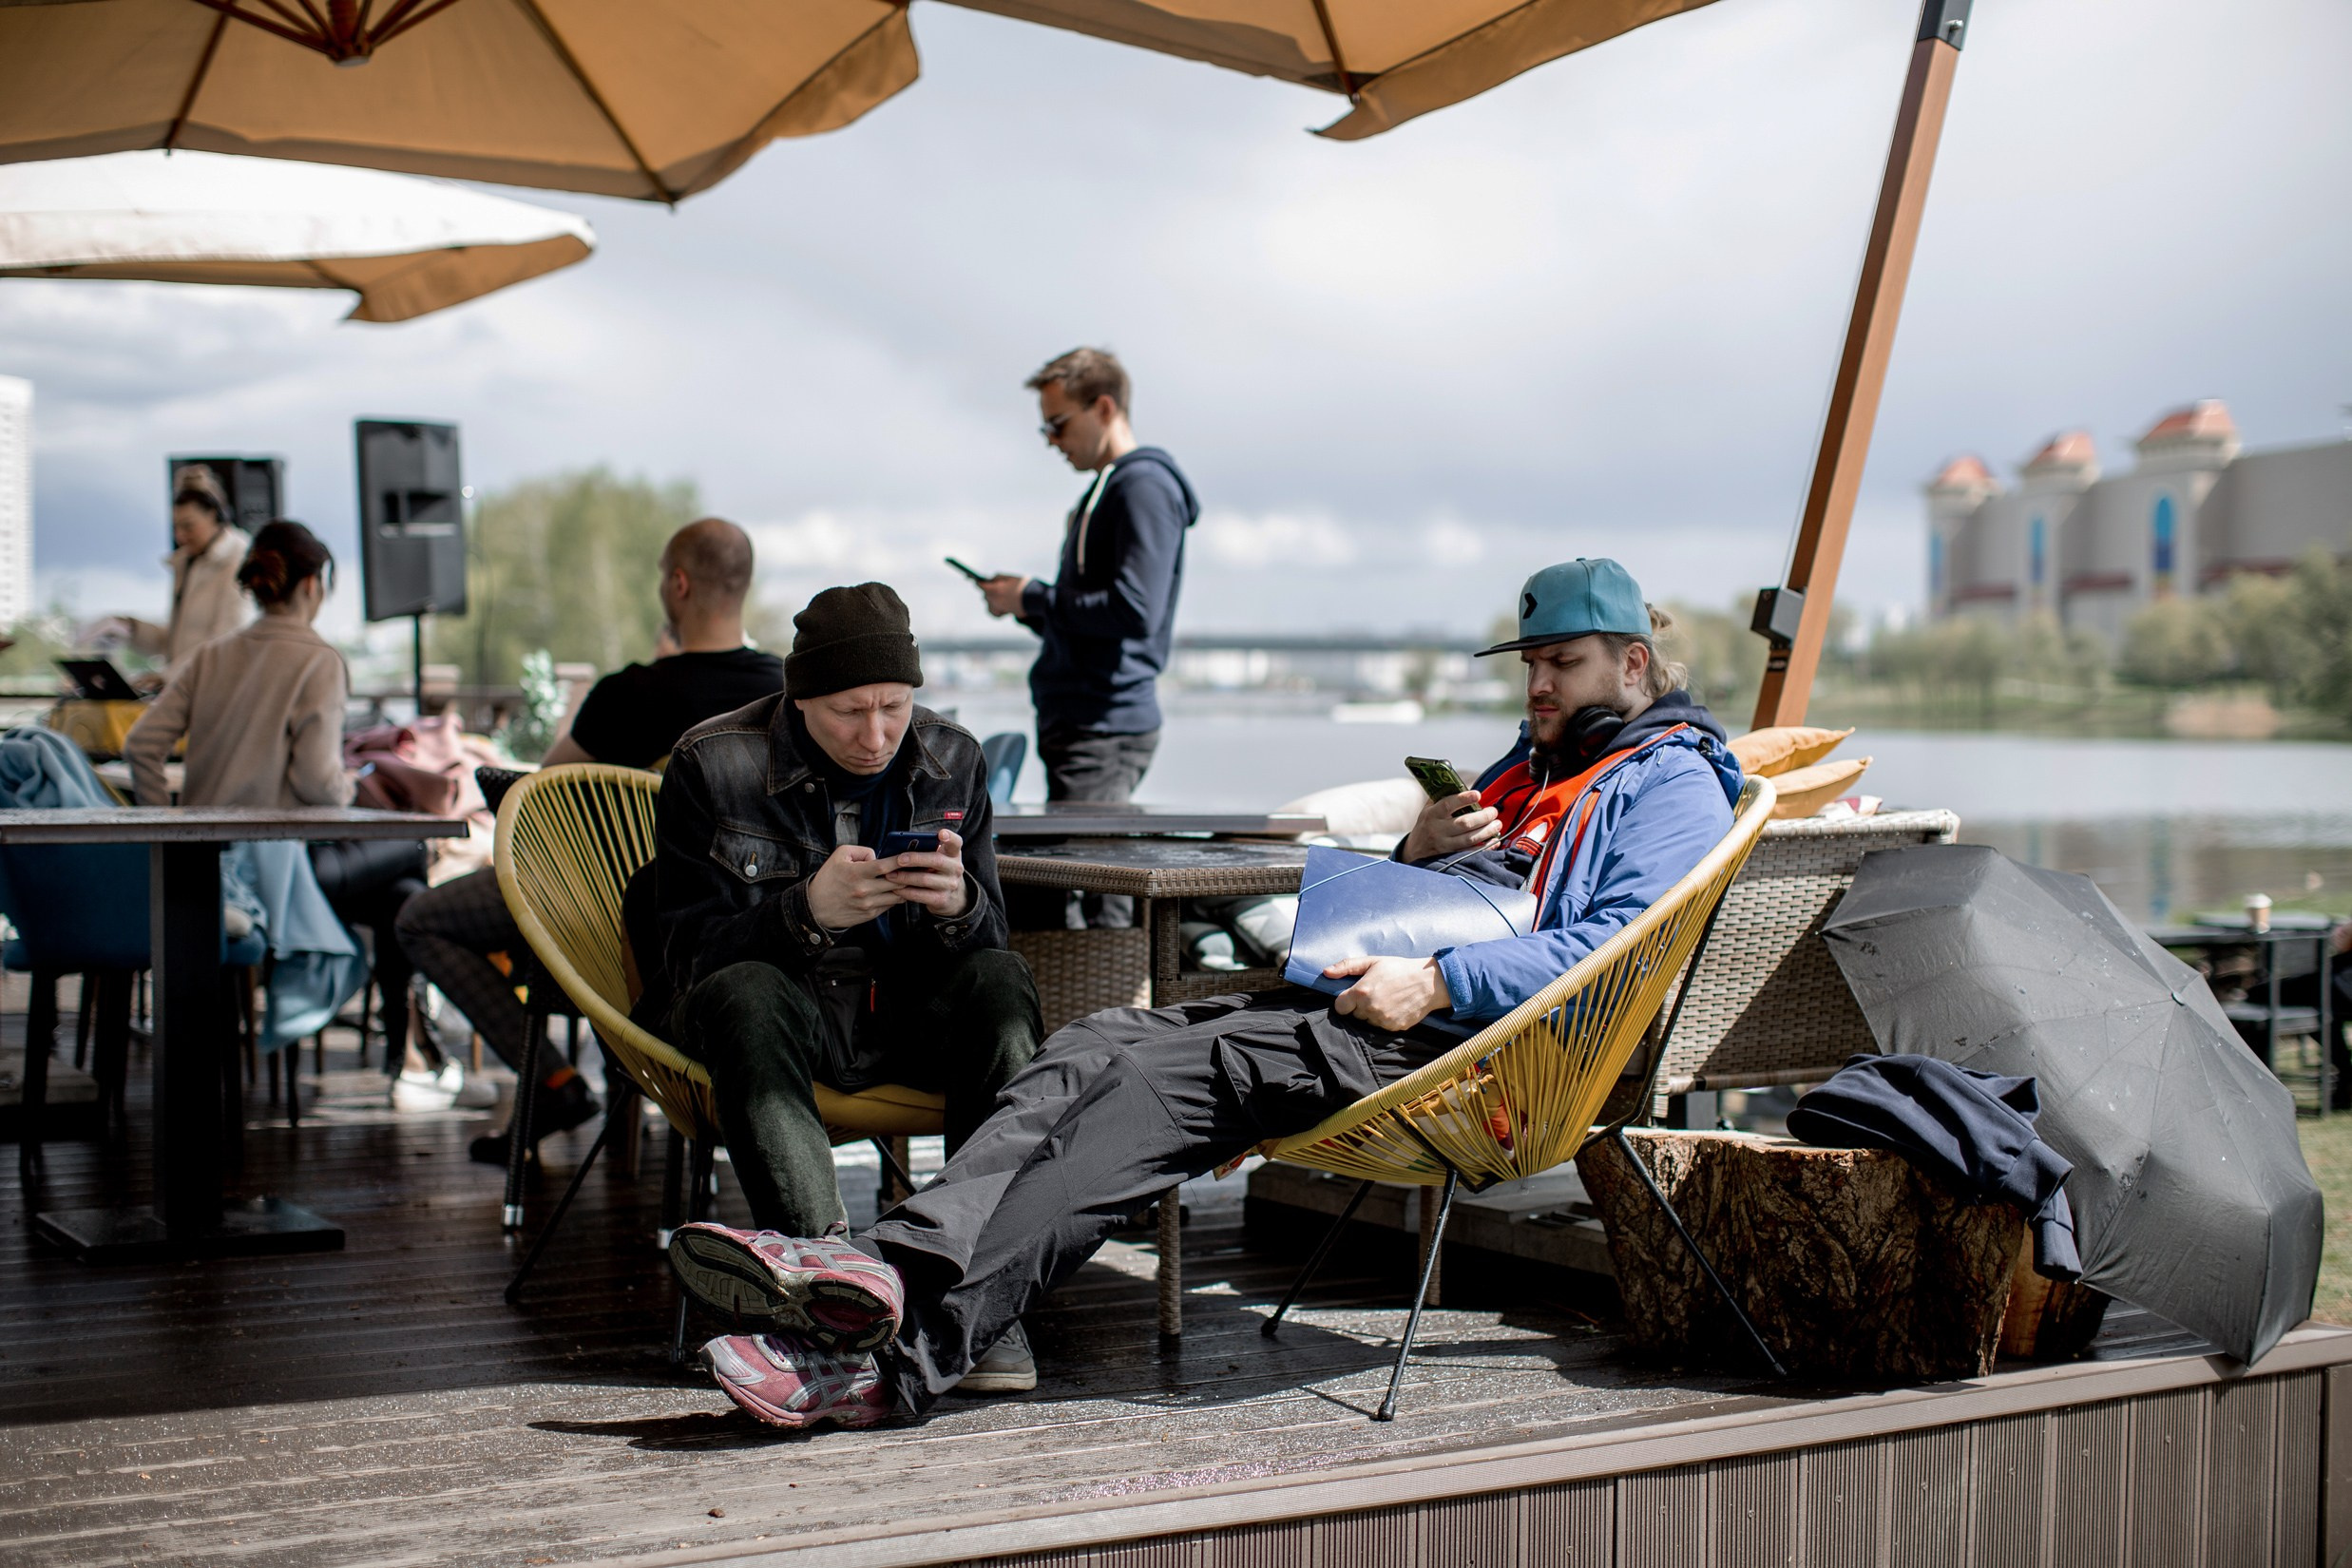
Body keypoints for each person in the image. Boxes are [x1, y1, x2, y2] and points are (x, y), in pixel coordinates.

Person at [666, 558, 1745, 1430]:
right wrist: (1420, 846)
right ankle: (885, 1273)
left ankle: (890, 1361)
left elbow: (1616, 951)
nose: (1539, 686)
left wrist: (1441, 978)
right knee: (1097, 1043)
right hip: (1360, 1005)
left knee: (1145, 1096)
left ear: (1635, 662)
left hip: (1467, 1049)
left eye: (1563, 664)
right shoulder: (1532, 764)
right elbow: (1454, 894)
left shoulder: (1672, 779)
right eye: (1531, 667)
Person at [655, 582, 1043, 1391]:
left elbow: (990, 939)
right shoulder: (710, 762)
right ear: (799, 699)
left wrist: (960, 905)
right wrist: (804, 912)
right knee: (748, 993)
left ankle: (970, 1297)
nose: (874, 735)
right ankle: (830, 1296)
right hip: (777, 1016)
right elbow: (683, 960)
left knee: (1000, 982)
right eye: (847, 712)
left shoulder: (954, 759)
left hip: (902, 1011)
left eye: (893, 707)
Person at [394, 518, 786, 1144]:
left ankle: (554, 1083)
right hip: (743, 923)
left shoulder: (629, 694)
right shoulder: (786, 694)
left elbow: (539, 795)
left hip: (601, 914)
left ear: (678, 584)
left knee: (421, 919)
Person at [124, 520, 432, 1087]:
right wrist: (351, 782)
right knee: (415, 852)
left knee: (402, 893)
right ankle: (407, 1057)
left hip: (206, 863)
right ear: (313, 584)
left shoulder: (210, 656)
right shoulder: (319, 660)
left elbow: (141, 745)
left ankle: (411, 1054)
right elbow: (318, 783)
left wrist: (165, 825)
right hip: (281, 866)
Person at [977, 348, 1198, 927]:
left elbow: (1135, 610)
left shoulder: (1142, 486)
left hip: (1104, 725)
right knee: (1088, 889)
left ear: (1103, 408)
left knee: (1104, 901)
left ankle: (1112, 1015)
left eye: (1058, 424)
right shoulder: (1110, 488)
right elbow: (1102, 620)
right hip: (1086, 721)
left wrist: (1035, 597)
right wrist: (1026, 607)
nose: (1051, 440)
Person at [100, 466, 251, 681]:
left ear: (214, 515)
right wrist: (131, 628)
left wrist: (167, 676)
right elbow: (174, 643)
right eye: (176, 528)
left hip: (213, 690)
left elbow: (225, 642)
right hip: (187, 687)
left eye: (189, 527)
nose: (180, 536)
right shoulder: (189, 563)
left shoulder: (237, 562)